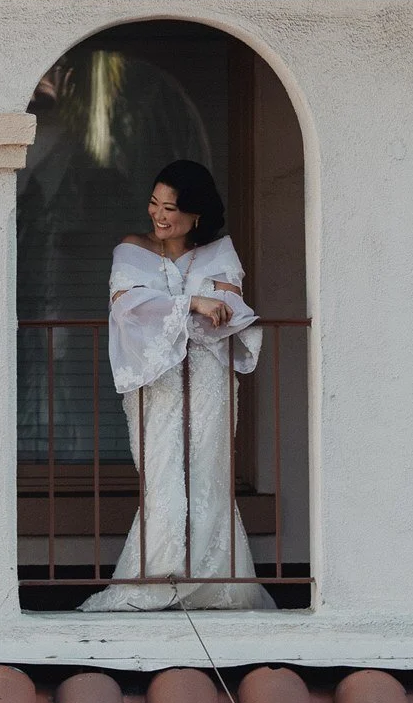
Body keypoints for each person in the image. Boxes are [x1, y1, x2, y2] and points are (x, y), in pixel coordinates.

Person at [79, 159, 276, 611]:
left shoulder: (219, 252)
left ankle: (216, 585)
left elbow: (232, 312)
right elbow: (127, 307)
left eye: (171, 208)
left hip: (209, 379)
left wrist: (193, 309)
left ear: (197, 215)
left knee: (209, 471)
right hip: (155, 380)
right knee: (162, 470)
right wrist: (195, 304)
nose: (159, 215)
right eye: (154, 203)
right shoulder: (130, 249)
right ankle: (158, 577)